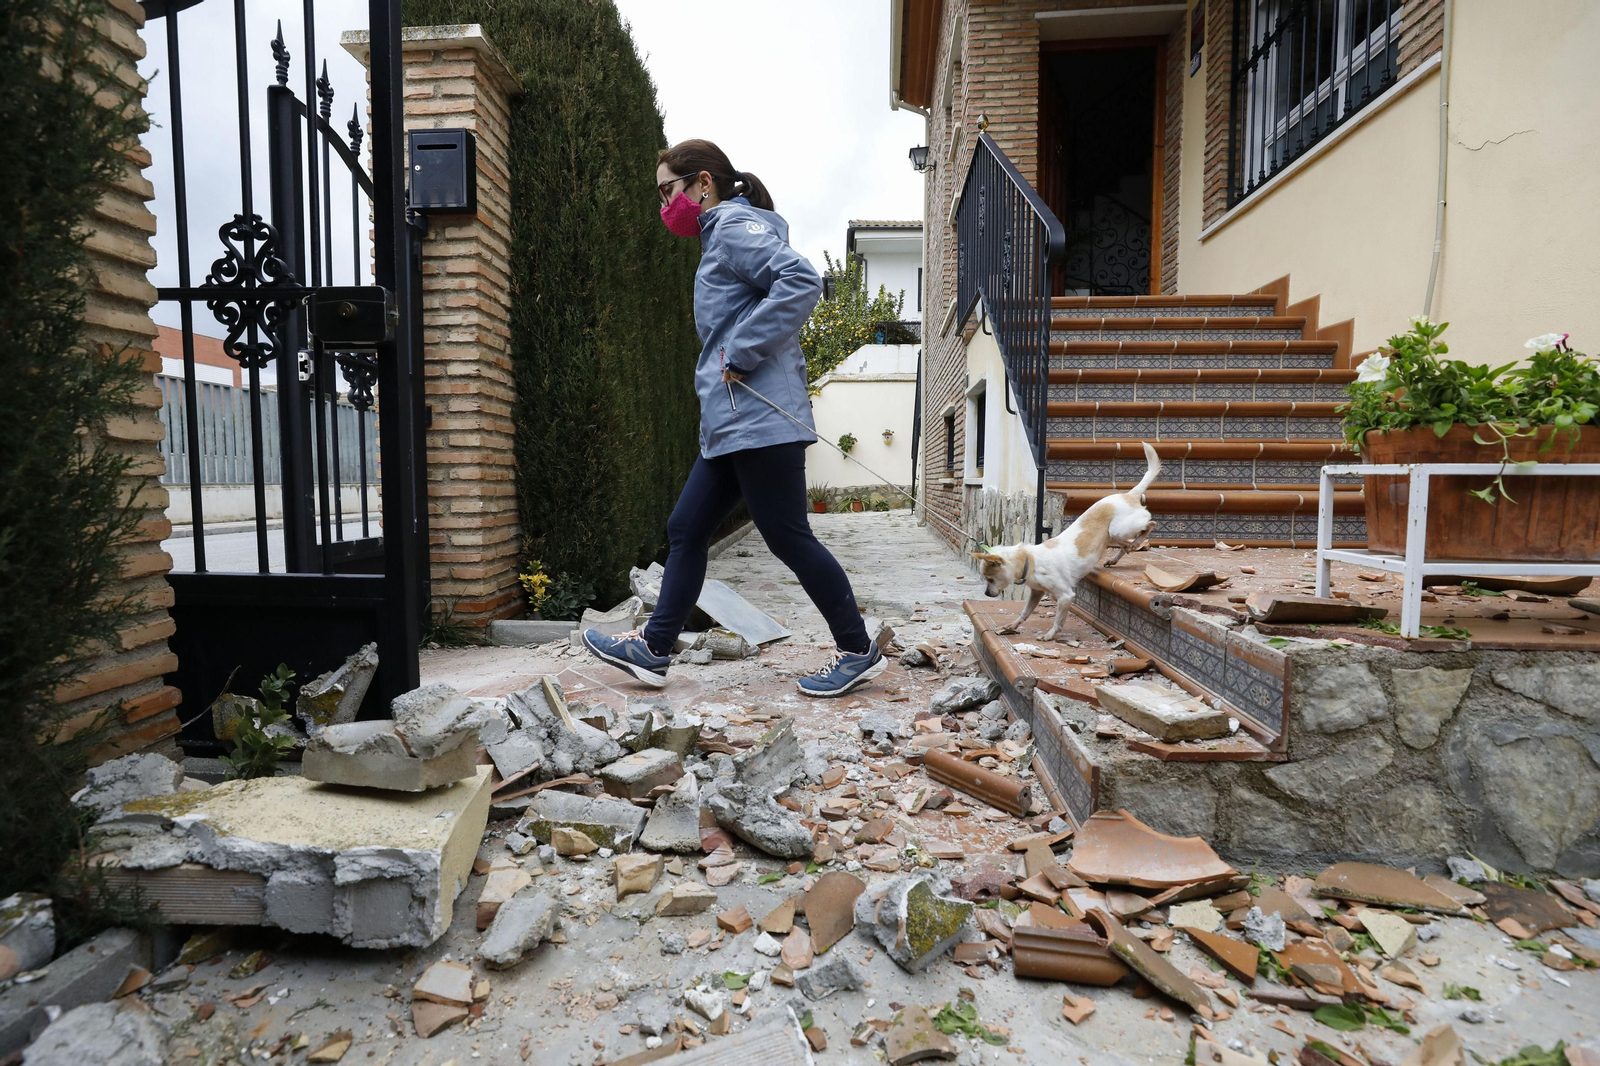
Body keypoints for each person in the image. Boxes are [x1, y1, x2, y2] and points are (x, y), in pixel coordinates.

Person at [580, 138, 884, 698]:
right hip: (731, 427)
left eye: (668, 190)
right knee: (686, 528)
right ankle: (654, 651)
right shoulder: (723, 234)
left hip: (759, 422)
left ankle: (857, 649)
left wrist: (741, 351)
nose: (663, 204)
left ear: (702, 183)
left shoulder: (734, 228)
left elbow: (802, 280)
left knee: (788, 537)